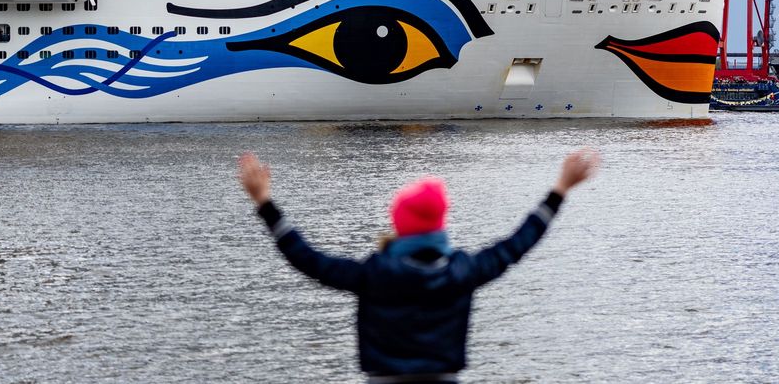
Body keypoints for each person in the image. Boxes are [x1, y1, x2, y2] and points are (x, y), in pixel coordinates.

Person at [238, 148, 600, 383]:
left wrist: (264, 202)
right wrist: (560, 189)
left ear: (398, 224)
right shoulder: (462, 272)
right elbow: (518, 242)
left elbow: (307, 259)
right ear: (440, 225)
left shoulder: (375, 275)